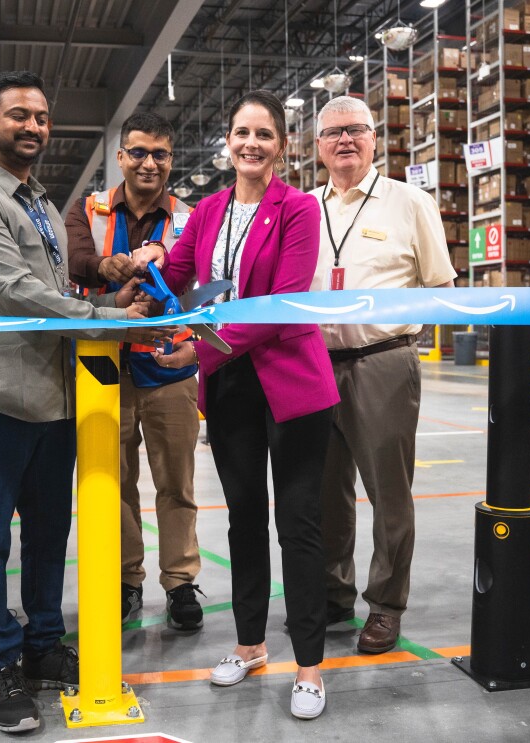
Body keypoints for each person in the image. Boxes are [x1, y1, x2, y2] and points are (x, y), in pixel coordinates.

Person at [0, 70, 165, 734]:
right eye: (17, 116)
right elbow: (10, 290)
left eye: (40, 117)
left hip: (55, 396)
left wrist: (106, 307)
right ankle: (2, 663)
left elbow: (53, 288)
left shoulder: (41, 201)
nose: (32, 127)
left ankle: (40, 644)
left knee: (46, 535)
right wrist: (100, 320)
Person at [150, 90, 339, 721]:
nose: (251, 143)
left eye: (263, 133)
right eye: (241, 132)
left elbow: (280, 305)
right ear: (227, 143)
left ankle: (309, 665)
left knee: (299, 525)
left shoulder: (298, 210)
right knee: (244, 519)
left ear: (281, 146)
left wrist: (201, 352)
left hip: (291, 386)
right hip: (231, 391)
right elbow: (176, 272)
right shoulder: (206, 212)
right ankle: (251, 645)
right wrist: (130, 270)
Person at [309, 95, 456, 654]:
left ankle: (386, 605)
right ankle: (331, 594)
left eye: (356, 130)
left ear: (375, 139)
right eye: (333, 133)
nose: (345, 140)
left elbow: (441, 288)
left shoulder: (410, 202)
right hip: (316, 364)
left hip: (383, 362)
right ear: (317, 146)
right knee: (325, 494)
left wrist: (409, 335)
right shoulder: (306, 207)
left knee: (388, 493)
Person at [64, 112, 204, 630]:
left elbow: (210, 286)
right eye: (139, 152)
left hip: (170, 367)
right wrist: (112, 277)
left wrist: (200, 353)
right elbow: (75, 263)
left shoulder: (191, 218)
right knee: (114, 483)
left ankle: (181, 582)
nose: (150, 163)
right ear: (120, 157)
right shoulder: (88, 210)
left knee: (177, 483)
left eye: (160, 154)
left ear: (171, 160)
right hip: (105, 366)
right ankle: (127, 580)